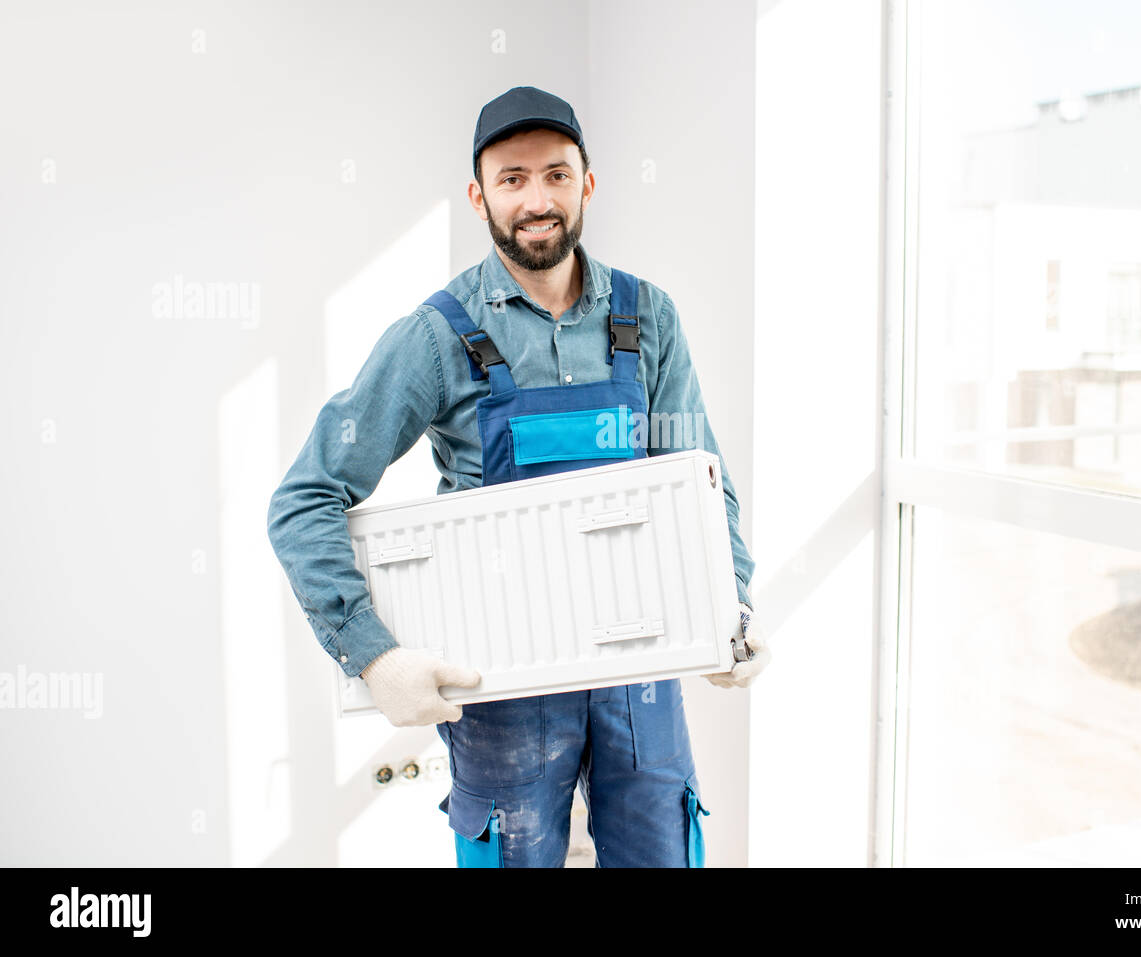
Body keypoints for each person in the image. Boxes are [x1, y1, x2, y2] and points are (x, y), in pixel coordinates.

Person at [266, 86, 769, 868]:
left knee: (664, 850)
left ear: (587, 184)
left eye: (556, 175)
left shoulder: (649, 317)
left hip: (641, 664)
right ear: (479, 196)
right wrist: (372, 653)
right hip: (501, 680)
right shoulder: (437, 337)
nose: (537, 199)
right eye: (512, 179)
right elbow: (305, 498)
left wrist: (728, 602)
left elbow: (700, 477)